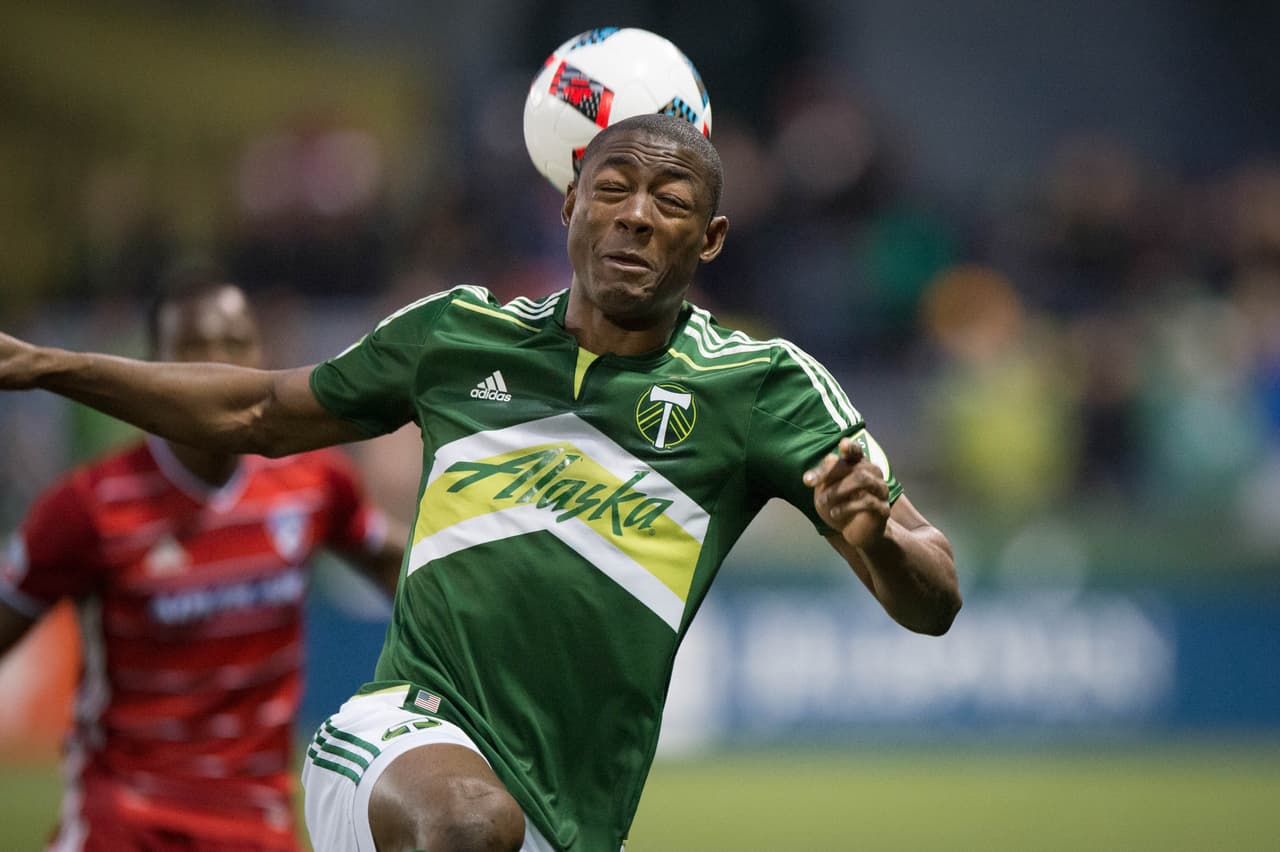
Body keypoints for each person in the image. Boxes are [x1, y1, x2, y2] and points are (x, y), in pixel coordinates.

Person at [0, 114, 961, 852]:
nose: (634, 214)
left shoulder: (763, 388)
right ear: (568, 206)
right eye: (612, 188)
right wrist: (50, 366)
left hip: (570, 812)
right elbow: (255, 409)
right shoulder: (458, 337)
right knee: (465, 822)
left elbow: (935, 596)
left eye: (669, 203)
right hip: (399, 738)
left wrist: (874, 537)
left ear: (708, 241)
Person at [0, 271, 405, 851]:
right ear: (149, 369)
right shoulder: (92, 505)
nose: (218, 366)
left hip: (256, 817)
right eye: (192, 348)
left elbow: (403, 569)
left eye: (237, 344)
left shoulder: (313, 482)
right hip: (127, 815)